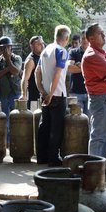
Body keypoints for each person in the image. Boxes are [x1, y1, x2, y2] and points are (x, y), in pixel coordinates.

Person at [81, 23, 106, 174]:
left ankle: (101, 166)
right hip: (100, 99)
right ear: (91, 38)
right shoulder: (93, 55)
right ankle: (94, 171)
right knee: (99, 136)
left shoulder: (101, 53)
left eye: (103, 33)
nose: (104, 36)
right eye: (100, 34)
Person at [35, 25, 70, 166]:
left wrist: (42, 91)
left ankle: (41, 157)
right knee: (56, 128)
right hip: (57, 94)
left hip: (46, 94)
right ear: (66, 38)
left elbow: (37, 72)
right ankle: (53, 159)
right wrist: (51, 92)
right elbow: (57, 73)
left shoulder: (45, 50)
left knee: (44, 126)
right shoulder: (61, 51)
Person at [0, 36, 22, 138]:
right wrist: (7, 69)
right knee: (4, 119)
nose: (5, 50)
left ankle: (17, 140)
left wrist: (8, 59)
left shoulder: (17, 58)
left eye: (8, 47)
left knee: (17, 119)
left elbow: (16, 71)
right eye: (3, 48)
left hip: (15, 92)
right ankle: (6, 142)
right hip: (2, 93)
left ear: (11, 48)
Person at [18, 35, 44, 109]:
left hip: (43, 95)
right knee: (35, 118)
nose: (42, 46)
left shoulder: (43, 57)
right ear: (32, 46)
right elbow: (25, 78)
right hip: (34, 97)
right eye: (39, 44)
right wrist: (23, 94)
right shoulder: (30, 60)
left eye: (42, 43)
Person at [67, 31, 89, 115]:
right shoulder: (73, 52)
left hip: (91, 93)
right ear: (80, 39)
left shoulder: (94, 53)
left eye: (87, 38)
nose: (85, 40)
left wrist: (80, 65)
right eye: (83, 38)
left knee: (89, 122)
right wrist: (89, 68)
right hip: (75, 92)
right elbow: (69, 68)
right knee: (74, 121)